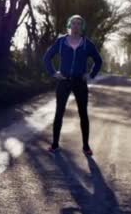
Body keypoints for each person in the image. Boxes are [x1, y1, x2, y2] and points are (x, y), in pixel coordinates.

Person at [42, 14, 102, 155]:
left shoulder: (87, 44)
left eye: (79, 24)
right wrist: (53, 73)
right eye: (73, 23)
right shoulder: (61, 42)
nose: (76, 26)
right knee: (59, 113)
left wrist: (90, 74)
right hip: (64, 81)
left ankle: (86, 146)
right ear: (69, 25)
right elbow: (47, 57)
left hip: (80, 82)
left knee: (83, 114)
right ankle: (55, 144)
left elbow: (98, 61)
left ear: (82, 27)